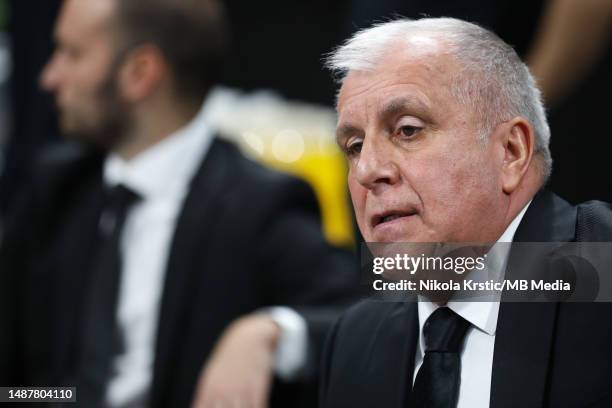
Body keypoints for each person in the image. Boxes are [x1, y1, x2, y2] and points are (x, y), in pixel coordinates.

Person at [0, 0, 358, 407]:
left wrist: (272, 329)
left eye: (72, 54)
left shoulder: (257, 205)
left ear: (139, 73)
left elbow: (355, 321)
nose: (49, 77)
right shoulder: (56, 190)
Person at [320, 17, 612, 408]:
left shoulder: (603, 265)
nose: (368, 170)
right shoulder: (354, 343)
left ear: (511, 152)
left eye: (407, 130)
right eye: (354, 146)